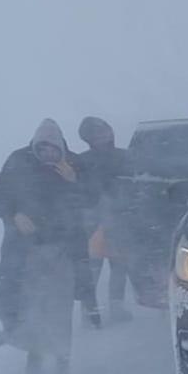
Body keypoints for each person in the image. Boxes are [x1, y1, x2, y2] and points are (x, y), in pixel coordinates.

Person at [0, 119, 89, 374]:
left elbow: (93, 201)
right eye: (42, 149)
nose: (47, 155)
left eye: (53, 150)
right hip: (28, 250)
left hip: (63, 250)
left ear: (61, 148)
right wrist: (14, 215)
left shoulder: (74, 164)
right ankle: (34, 358)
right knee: (33, 305)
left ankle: (62, 365)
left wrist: (74, 182)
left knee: (60, 309)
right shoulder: (18, 161)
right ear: (34, 147)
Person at [77, 116, 134, 324]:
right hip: (92, 223)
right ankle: (89, 311)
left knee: (119, 266)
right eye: (96, 133)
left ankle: (116, 308)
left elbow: (135, 186)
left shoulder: (126, 156)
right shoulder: (81, 162)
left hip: (120, 220)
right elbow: (77, 192)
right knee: (93, 268)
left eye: (105, 130)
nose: (103, 135)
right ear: (88, 139)